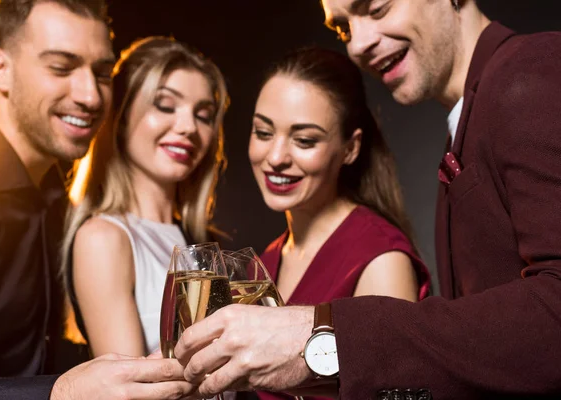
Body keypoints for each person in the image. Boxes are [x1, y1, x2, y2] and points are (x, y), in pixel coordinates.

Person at [171, 0, 561, 399]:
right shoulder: (466, 125)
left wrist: (321, 342)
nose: (357, 45)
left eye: (376, 9)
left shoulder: (532, 69)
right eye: (343, 29)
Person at [0, 1, 196, 398]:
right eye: (61, 67)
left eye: (102, 72)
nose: (91, 96)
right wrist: (61, 392)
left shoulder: (62, 205)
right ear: (0, 69)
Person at [248, 46, 430, 400]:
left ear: (350, 148)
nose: (275, 158)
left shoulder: (381, 259)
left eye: (304, 140)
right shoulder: (265, 260)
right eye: (263, 132)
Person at [61, 35, 229, 357]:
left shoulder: (207, 244)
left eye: (203, 115)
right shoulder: (104, 238)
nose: (188, 126)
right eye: (165, 105)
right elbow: (131, 388)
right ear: (121, 119)